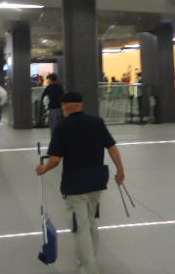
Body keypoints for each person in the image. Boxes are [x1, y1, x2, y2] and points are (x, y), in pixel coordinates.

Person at [35, 91, 126, 274]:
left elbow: (56, 159)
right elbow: (112, 148)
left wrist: (44, 169)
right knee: (91, 222)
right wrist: (120, 170)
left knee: (80, 227)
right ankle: (88, 259)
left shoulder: (62, 126)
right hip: (97, 181)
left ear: (64, 107)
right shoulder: (97, 122)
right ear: (81, 105)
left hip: (75, 183)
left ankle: (89, 267)